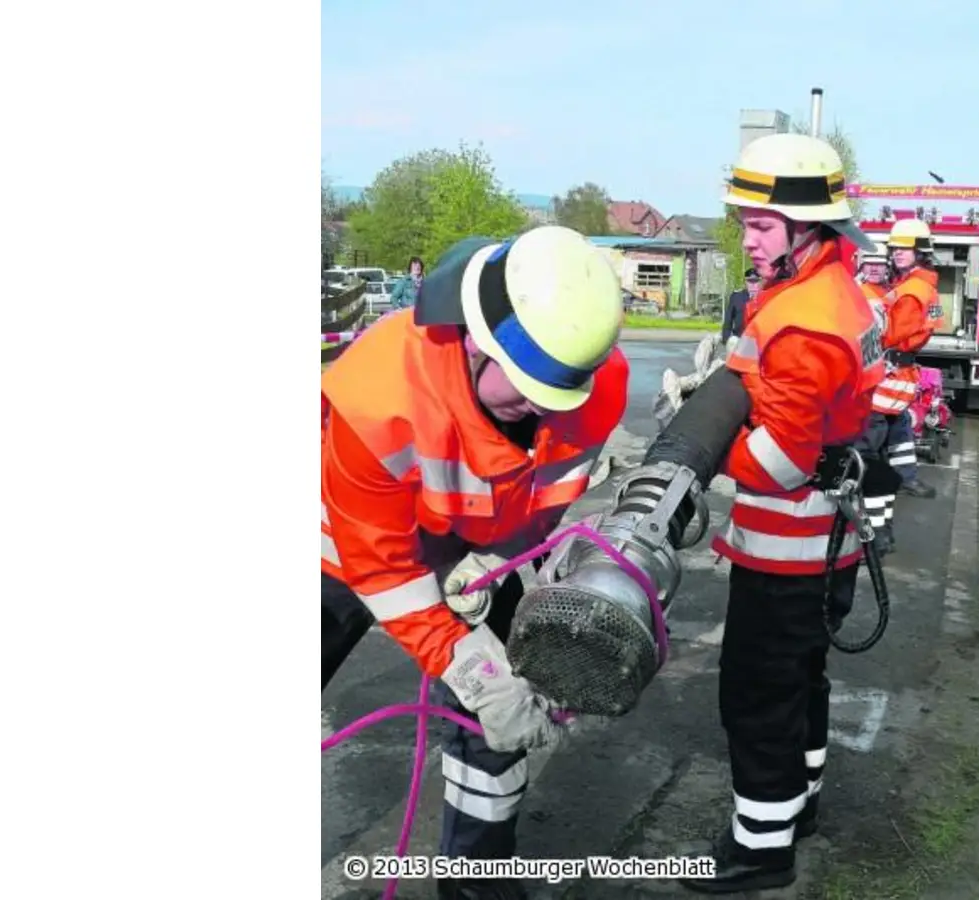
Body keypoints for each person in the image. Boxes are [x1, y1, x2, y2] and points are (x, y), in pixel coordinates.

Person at [321, 225, 629, 900]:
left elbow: (546, 495)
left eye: (556, 396)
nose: (541, 409)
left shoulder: (592, 387)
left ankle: (476, 880)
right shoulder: (377, 399)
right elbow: (383, 570)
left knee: (506, 716)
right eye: (523, 389)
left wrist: (499, 560)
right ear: (475, 339)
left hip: (476, 548)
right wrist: (468, 666)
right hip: (346, 550)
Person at [678, 133, 887, 894]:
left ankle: (759, 853)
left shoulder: (804, 323)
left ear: (809, 229)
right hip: (822, 542)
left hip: (787, 549)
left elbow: (775, 466)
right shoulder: (833, 291)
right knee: (803, 683)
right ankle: (798, 809)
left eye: (761, 225)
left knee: (757, 696)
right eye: (744, 221)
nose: (747, 237)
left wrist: (699, 446)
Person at [857, 219, 943, 556]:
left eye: (904, 248)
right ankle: (901, 489)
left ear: (921, 251)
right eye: (894, 248)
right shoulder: (917, 285)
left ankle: (877, 535)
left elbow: (890, 336)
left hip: (886, 382)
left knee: (868, 462)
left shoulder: (911, 292)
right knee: (896, 441)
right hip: (899, 384)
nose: (896, 254)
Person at [718, 266, 760, 342]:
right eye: (750, 281)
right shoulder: (737, 297)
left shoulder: (765, 297)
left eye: (756, 281)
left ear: (760, 282)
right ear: (745, 282)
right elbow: (728, 320)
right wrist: (726, 340)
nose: (753, 284)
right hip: (739, 339)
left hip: (759, 340)